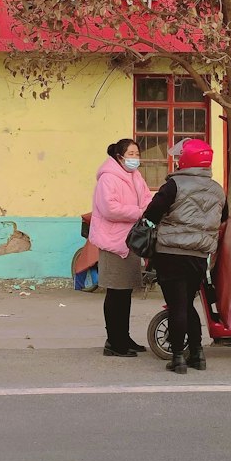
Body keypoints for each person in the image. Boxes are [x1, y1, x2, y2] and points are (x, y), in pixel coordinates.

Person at [143, 138, 226, 373]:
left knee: (176, 305)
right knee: (188, 304)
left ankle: (178, 357)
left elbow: (152, 213)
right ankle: (197, 354)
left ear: (186, 160)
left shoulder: (174, 185)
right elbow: (224, 217)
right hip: (199, 257)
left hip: (171, 254)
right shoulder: (217, 189)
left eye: (180, 157)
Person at [89, 138, 153, 357]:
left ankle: (123, 337)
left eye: (137, 153)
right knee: (115, 293)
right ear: (119, 156)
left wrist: (145, 209)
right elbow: (110, 209)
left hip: (130, 241)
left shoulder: (135, 176)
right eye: (131, 153)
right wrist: (138, 212)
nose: (135, 158)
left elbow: (147, 200)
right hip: (113, 242)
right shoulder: (108, 178)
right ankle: (114, 342)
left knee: (125, 293)